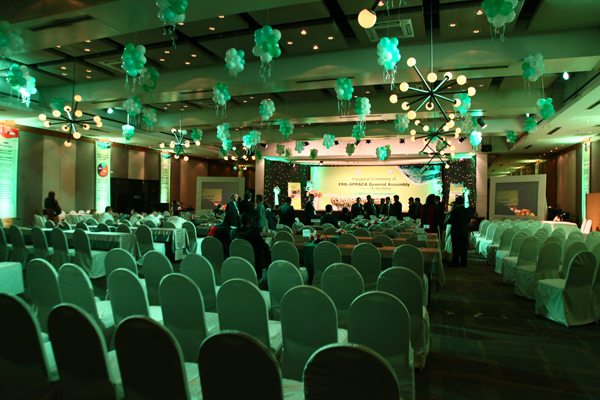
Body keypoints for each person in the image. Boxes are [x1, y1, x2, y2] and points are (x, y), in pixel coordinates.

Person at [230, 212, 270, 279]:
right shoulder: (254, 233)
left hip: (237, 264)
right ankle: (265, 281)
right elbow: (265, 247)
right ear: (251, 221)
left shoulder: (232, 233)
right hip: (254, 266)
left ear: (240, 221)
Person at [448, 196, 472, 267]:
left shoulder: (455, 211)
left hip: (456, 232)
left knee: (456, 248)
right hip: (464, 231)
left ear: (456, 203)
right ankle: (464, 262)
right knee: (464, 248)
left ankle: (455, 263)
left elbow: (451, 220)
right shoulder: (467, 211)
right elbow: (468, 221)